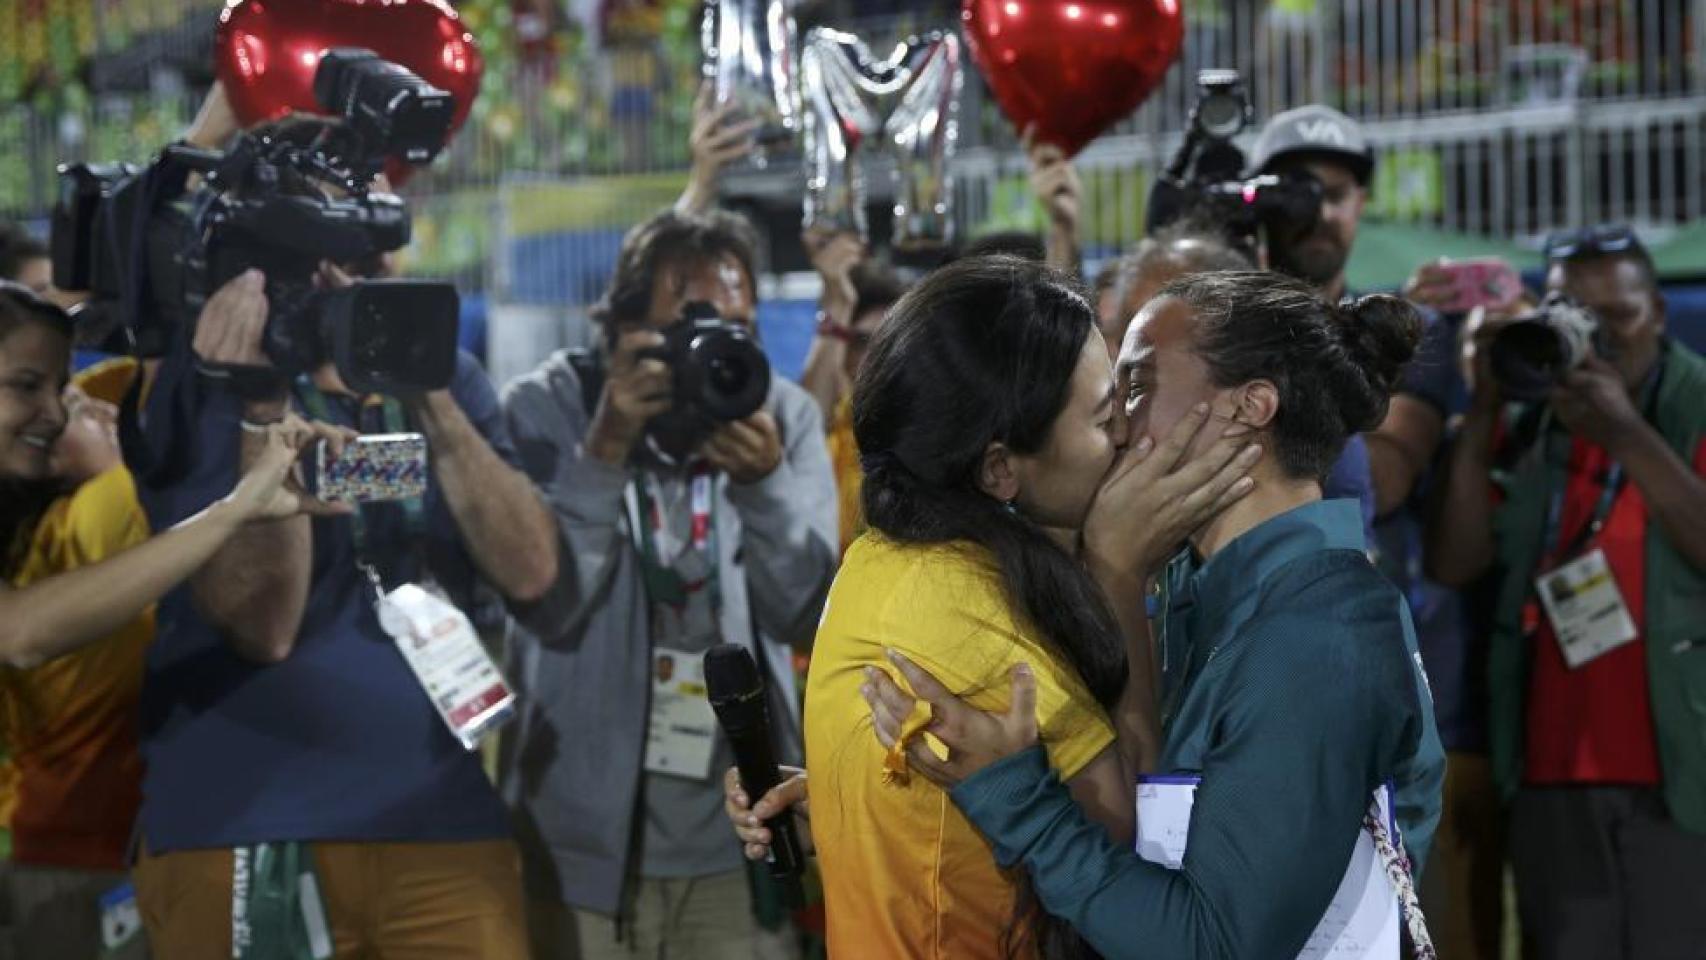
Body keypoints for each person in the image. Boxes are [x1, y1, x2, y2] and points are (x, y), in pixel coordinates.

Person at [747, 271, 1446, 959]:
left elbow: (1209, 943)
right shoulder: (1189, 586)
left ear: (1250, 407)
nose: (1117, 426)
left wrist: (1019, 802)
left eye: (1135, 387)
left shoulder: (1318, 634)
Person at [800, 255, 1259, 959]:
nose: (1130, 435)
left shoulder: (896, 551)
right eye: (1106, 416)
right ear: (999, 468)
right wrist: (1118, 569)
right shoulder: (954, 600)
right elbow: (1133, 827)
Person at [124, 233, 558, 957]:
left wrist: (425, 386)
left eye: (375, 245)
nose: (369, 272)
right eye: (335, 251)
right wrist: (262, 404)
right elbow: (262, 628)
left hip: (442, 818)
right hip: (250, 827)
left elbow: (531, 571)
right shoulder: (209, 380)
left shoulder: (445, 376)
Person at [499, 207, 837, 960]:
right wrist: (605, 448)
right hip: (579, 853)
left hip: (738, 848)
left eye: (735, 329)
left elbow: (808, 620)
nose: (711, 352)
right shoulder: (549, 408)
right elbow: (546, 610)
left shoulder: (780, 415)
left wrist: (766, 487)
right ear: (620, 329)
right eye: (686, 328)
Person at [0, 284, 336, 959]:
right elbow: (21, 633)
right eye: (25, 385)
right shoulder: (86, 510)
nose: (53, 413)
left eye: (59, 389)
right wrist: (236, 508)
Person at [1426, 225, 1706, 960]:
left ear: (1658, 313)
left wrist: (1626, 433)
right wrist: (1483, 404)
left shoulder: (1696, 402)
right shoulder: (1529, 417)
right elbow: (1456, 562)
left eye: (1615, 317)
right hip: (1549, 766)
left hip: (1679, 769)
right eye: (1570, 315)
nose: (1596, 339)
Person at [1249, 104, 1457, 529]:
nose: (1321, 214)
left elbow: (1385, 483)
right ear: (1259, 201)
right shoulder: (1220, 324)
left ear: (1360, 203)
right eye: (1300, 194)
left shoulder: (1405, 329)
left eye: (1336, 195)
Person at [797, 230, 908, 554]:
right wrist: (838, 302)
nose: (874, 359)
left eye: (887, 343)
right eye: (860, 342)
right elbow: (811, 416)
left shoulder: (921, 431)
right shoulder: (827, 432)